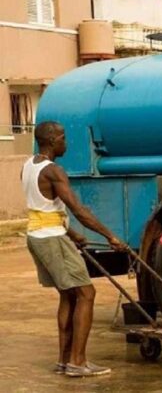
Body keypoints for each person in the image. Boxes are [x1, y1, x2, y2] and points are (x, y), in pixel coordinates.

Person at [22, 121, 127, 377]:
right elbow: (79, 210)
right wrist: (111, 236)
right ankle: (78, 362)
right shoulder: (54, 171)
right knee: (86, 294)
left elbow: (42, 209)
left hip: (39, 235)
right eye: (63, 138)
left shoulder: (27, 166)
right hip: (51, 239)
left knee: (69, 295)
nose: (66, 142)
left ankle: (64, 360)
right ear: (51, 141)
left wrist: (72, 234)